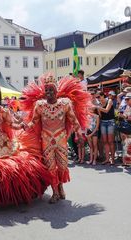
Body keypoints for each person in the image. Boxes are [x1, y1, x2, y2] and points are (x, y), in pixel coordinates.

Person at [22, 73, 91, 204]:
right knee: (50, 167)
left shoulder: (65, 104)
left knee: (62, 166)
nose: (48, 92)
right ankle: (55, 192)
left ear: (56, 91)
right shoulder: (40, 105)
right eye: (46, 90)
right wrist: (25, 126)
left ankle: (60, 186)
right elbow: (34, 121)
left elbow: (74, 120)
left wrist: (79, 134)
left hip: (61, 139)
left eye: (51, 89)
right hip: (46, 140)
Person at [98, 92, 115, 165]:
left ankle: (113, 159)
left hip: (110, 122)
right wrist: (98, 109)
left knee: (110, 141)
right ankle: (107, 159)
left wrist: (98, 108)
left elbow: (107, 110)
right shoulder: (99, 104)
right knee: (105, 141)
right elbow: (100, 115)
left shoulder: (109, 100)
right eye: (97, 97)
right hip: (103, 122)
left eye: (99, 97)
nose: (98, 98)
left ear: (102, 96)